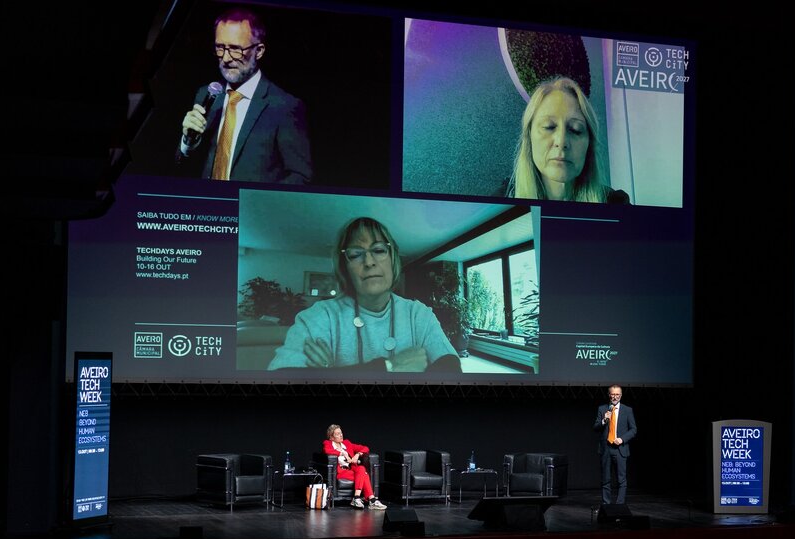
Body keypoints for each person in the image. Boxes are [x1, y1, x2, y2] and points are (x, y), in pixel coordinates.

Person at [268, 216, 462, 372]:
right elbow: (280, 379)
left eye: (378, 250)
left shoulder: (419, 315)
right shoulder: (319, 317)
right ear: (345, 267)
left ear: (393, 259)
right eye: (355, 254)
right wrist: (390, 366)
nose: (369, 261)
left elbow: (451, 370)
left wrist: (328, 375)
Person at [176, 6, 312, 184]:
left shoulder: (284, 106)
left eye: (235, 49)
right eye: (220, 47)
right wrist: (187, 142)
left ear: (259, 51)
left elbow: (300, 175)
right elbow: (182, 169)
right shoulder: (207, 95)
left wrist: (256, 204)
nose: (225, 58)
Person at [506, 77, 629, 204]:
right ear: (529, 137)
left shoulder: (617, 206)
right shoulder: (500, 202)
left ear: (589, 144)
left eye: (576, 130)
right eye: (549, 127)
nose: (562, 141)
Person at [322, 424, 386, 509]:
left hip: (350, 470)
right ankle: (372, 500)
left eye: (341, 433)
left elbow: (365, 448)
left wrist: (358, 455)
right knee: (365, 475)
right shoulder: (328, 443)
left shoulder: (347, 443)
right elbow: (326, 450)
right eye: (337, 434)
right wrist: (342, 453)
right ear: (331, 437)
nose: (341, 435)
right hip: (341, 472)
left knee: (361, 469)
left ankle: (357, 498)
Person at [593, 384, 637, 505]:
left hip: (620, 449)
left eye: (617, 394)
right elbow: (595, 427)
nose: (615, 397)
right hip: (606, 449)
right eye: (613, 394)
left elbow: (633, 430)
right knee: (606, 479)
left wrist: (622, 439)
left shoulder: (627, 410)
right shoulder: (602, 409)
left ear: (621, 395)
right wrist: (603, 420)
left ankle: (619, 506)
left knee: (621, 480)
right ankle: (606, 505)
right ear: (609, 395)